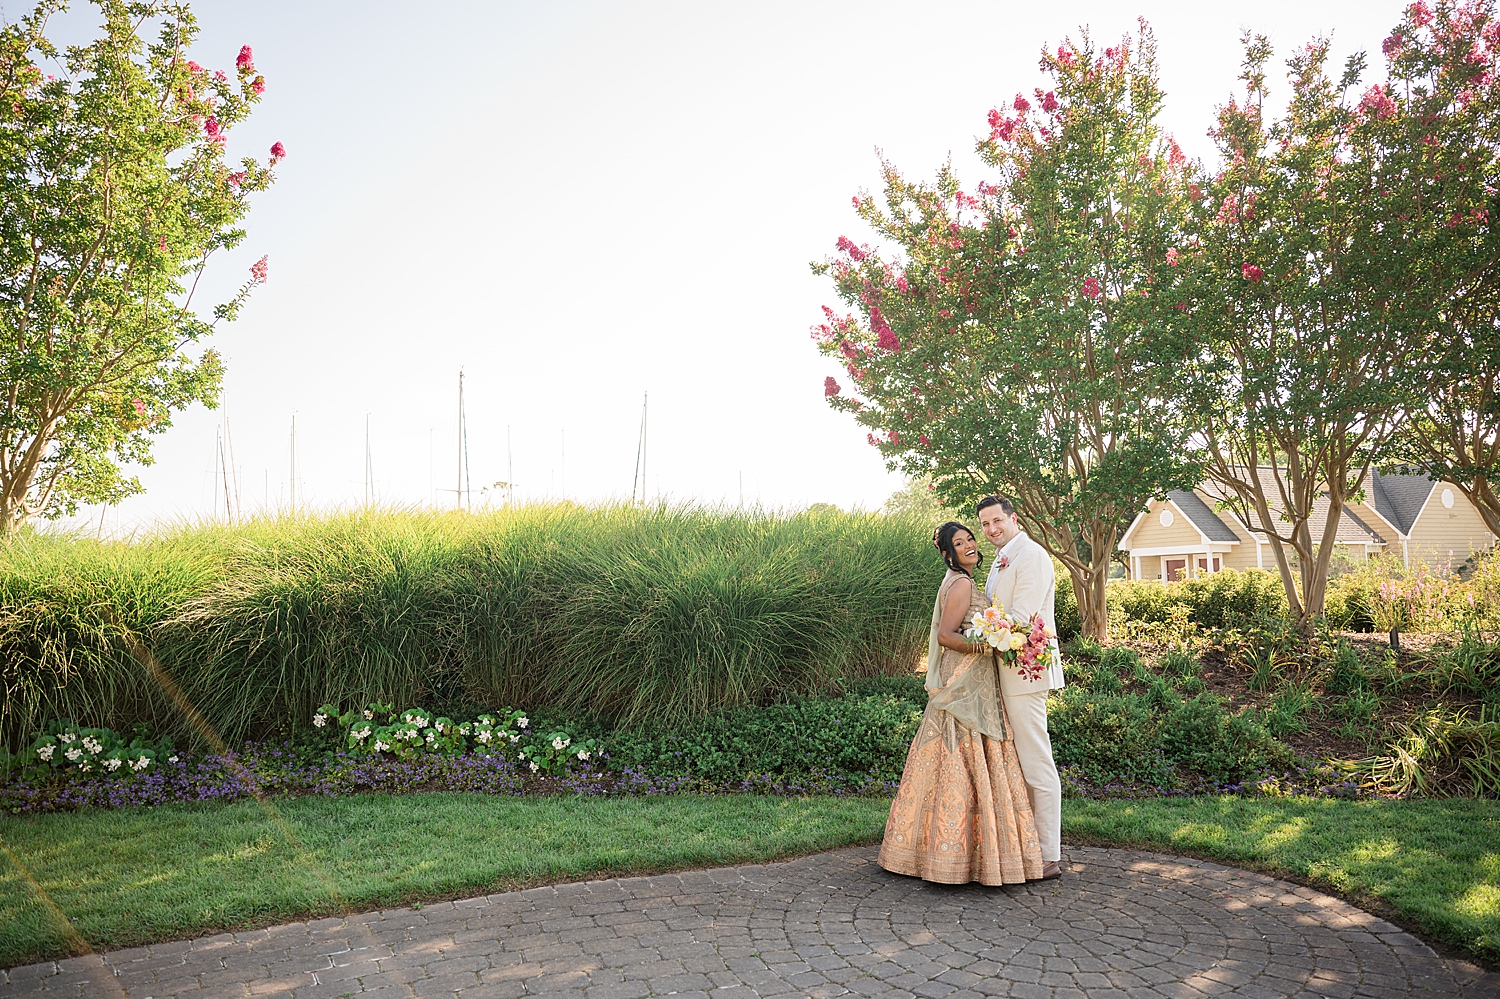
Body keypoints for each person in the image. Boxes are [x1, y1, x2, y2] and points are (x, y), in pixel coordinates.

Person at [877, 521, 1044, 885]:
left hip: (973, 683)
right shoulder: (962, 584)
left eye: (970, 539)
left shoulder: (964, 580)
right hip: (964, 684)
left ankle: (945, 851)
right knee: (962, 758)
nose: (969, 545)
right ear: (946, 553)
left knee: (958, 761)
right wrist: (985, 645)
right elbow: (945, 635)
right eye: (959, 542)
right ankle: (959, 855)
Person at [977, 495, 1065, 881]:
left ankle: (1048, 855)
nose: (991, 529)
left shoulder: (1031, 556)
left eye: (997, 521)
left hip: (1027, 672)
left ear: (1013, 518)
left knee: (1036, 761)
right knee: (1021, 762)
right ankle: (1028, 847)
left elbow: (1020, 618)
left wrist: (970, 633)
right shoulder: (1000, 558)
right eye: (985, 524)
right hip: (1005, 671)